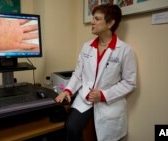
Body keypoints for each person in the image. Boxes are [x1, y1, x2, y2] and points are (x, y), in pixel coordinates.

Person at [55, 4, 137, 141]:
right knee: (71, 127)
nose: (92, 22)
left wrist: (103, 95)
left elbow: (129, 82)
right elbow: (78, 74)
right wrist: (68, 90)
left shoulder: (125, 50)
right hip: (84, 99)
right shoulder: (87, 47)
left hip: (109, 102)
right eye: (93, 18)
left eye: (97, 19)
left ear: (110, 23)